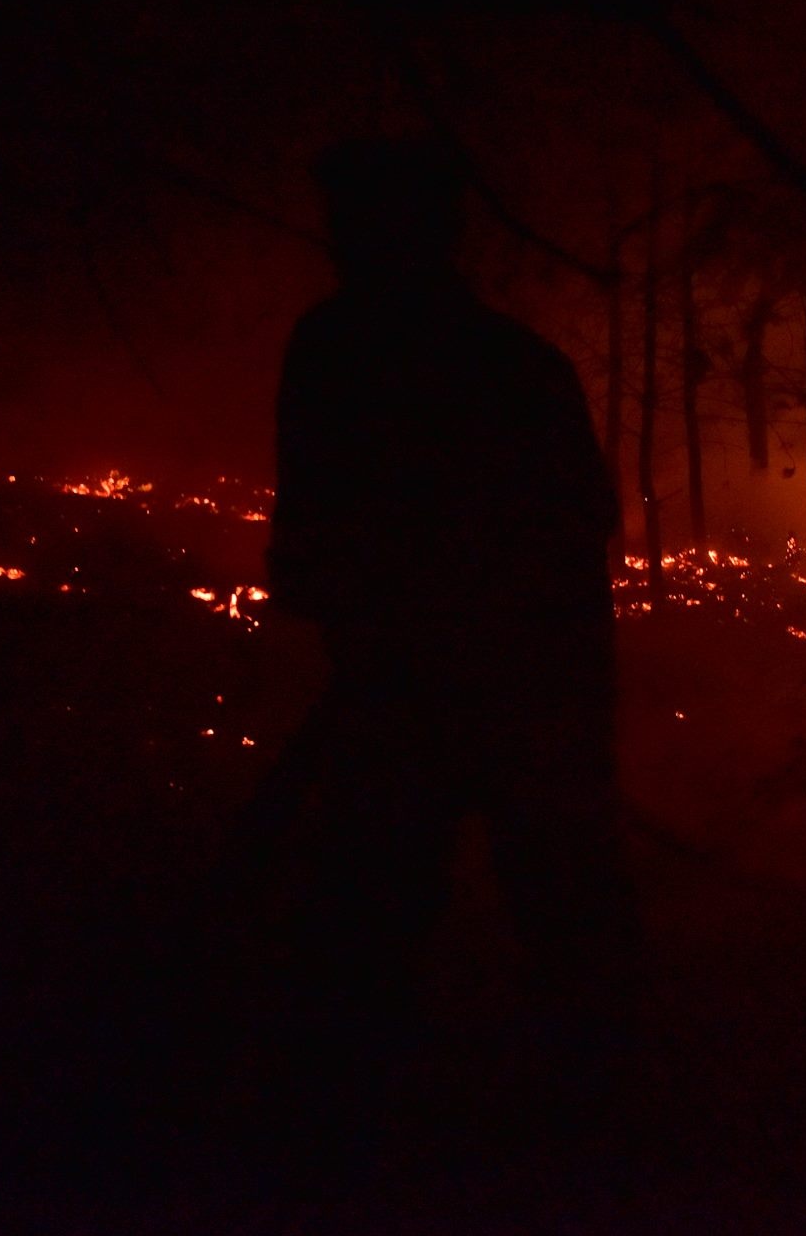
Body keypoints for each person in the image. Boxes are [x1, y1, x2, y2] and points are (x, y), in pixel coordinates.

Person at [250, 136, 633, 1133]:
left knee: (384, 908)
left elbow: (314, 537)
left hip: (463, 687)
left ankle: (354, 1128)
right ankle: (593, 1120)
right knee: (525, 909)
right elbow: (584, 520)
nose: (340, 243)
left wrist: (381, 623)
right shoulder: (519, 363)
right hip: (512, 684)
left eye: (356, 221)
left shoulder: (338, 348)